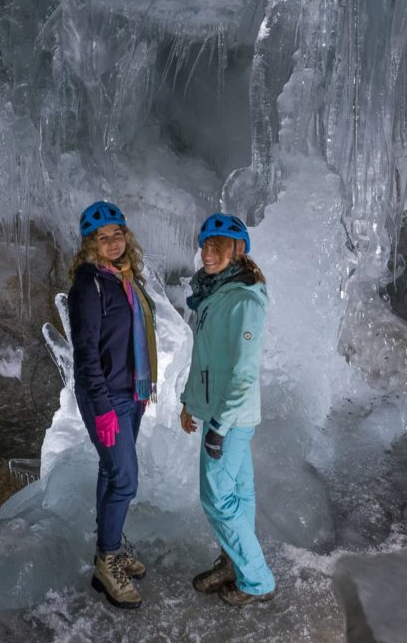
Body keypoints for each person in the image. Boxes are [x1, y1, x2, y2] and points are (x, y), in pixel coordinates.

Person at [179, 212, 276, 607]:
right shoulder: (216, 293)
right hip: (218, 411)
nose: (209, 251)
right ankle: (233, 561)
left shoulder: (244, 300)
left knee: (218, 498)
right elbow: (204, 357)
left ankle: (256, 580)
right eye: (205, 243)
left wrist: (218, 424)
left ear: (238, 251)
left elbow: (244, 373)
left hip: (230, 418)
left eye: (219, 244)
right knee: (239, 492)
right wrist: (190, 402)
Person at [67, 200, 158, 610]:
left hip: (131, 392)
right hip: (107, 396)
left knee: (111, 470)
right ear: (89, 245)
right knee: (125, 480)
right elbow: (85, 353)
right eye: (102, 238)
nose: (112, 242)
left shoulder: (125, 277)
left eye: (117, 234)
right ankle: (107, 562)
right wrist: (102, 407)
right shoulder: (89, 284)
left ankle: (112, 547)